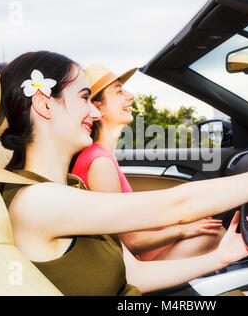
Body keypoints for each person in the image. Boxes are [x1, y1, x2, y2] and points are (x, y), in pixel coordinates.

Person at [0, 51, 248, 296]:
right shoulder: (35, 202)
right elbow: (179, 204)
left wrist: (221, 257)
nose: (94, 110)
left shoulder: (70, 186)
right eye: (85, 97)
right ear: (45, 104)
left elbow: (132, 274)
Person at [71, 64, 234, 261]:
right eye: (119, 91)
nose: (130, 96)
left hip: (136, 252)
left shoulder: (102, 156)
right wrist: (180, 231)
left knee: (206, 227)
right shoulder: (99, 162)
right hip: (132, 265)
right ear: (98, 107)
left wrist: (179, 225)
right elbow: (129, 243)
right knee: (214, 235)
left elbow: (128, 222)